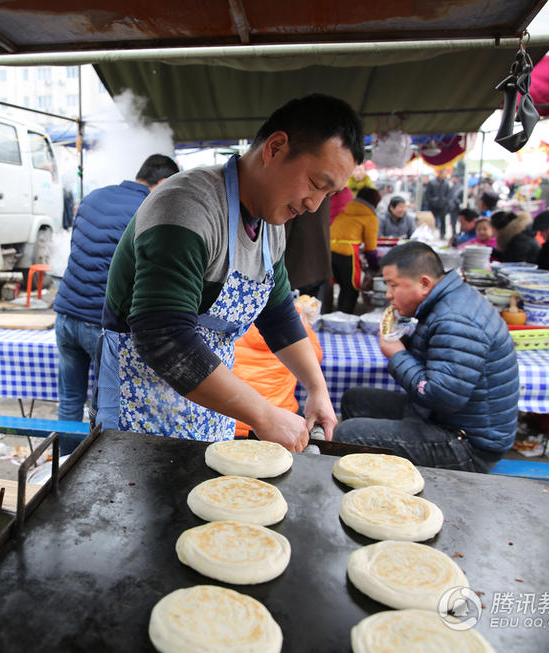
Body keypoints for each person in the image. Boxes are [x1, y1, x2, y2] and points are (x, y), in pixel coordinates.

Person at [96, 93, 364, 450]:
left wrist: (316, 389)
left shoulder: (272, 225)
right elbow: (164, 338)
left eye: (328, 194)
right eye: (316, 184)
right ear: (276, 148)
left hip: (210, 402)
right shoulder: (187, 208)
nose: (314, 205)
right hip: (140, 401)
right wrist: (264, 415)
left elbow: (279, 315)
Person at [333, 242, 518, 472]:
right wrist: (406, 341)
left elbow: (441, 396)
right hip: (442, 418)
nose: (389, 295)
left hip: (468, 444)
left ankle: (377, 492)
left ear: (424, 283)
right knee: (355, 400)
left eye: (393, 285)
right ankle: (376, 473)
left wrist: (397, 354)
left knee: (347, 433)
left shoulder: (455, 320)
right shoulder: (448, 300)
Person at [53, 154, 179, 430]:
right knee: (105, 409)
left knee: (69, 402)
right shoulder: (150, 208)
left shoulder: (93, 197)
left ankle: (64, 465)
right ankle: (92, 469)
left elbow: (79, 250)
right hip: (100, 323)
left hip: (65, 314)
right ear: (166, 182)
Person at [330, 186, 381, 314]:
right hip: (347, 253)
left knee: (338, 286)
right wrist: (375, 266)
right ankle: (345, 318)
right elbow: (371, 248)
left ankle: (333, 315)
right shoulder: (370, 216)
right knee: (351, 288)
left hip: (329, 251)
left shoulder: (346, 210)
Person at [425, 168, 452, 238]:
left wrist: (445, 201)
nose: (445, 175)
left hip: (443, 205)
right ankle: (430, 234)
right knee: (432, 220)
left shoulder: (446, 183)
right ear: (440, 174)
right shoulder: (432, 182)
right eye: (444, 173)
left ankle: (442, 234)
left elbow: (448, 194)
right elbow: (427, 194)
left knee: (443, 221)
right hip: (433, 205)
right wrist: (433, 200)